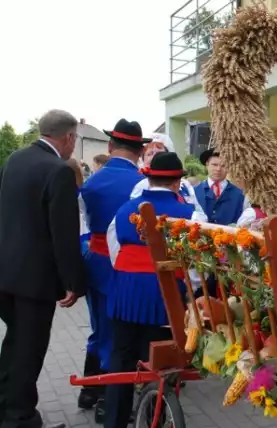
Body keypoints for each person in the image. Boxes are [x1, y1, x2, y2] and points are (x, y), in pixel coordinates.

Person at [0, 109, 85, 428]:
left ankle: (6, 406)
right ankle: (20, 417)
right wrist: (74, 283)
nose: (72, 146)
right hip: (33, 281)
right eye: (74, 139)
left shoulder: (15, 160)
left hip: (6, 273)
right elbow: (63, 234)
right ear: (67, 137)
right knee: (29, 350)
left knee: (14, 343)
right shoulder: (58, 171)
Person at [104, 152, 198, 428]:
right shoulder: (192, 215)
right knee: (159, 366)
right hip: (164, 300)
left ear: (148, 177)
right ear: (178, 182)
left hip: (125, 295)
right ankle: (151, 418)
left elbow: (114, 251)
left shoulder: (124, 210)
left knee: (120, 361)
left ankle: (114, 421)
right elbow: (194, 268)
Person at [77, 119, 149, 418]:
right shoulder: (143, 184)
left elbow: (78, 226)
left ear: (109, 146)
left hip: (96, 264)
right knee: (122, 336)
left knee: (99, 328)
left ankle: (89, 391)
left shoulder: (90, 182)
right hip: (129, 268)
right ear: (141, 150)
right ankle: (110, 402)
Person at [130, 133, 206, 220]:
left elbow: (199, 214)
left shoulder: (185, 185)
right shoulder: (140, 186)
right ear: (143, 160)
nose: (155, 156)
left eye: (159, 151)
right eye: (150, 154)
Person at [194, 150, 245, 225]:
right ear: (207, 164)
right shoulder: (194, 192)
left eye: (223, 166)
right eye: (214, 165)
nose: (218, 169)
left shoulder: (240, 195)